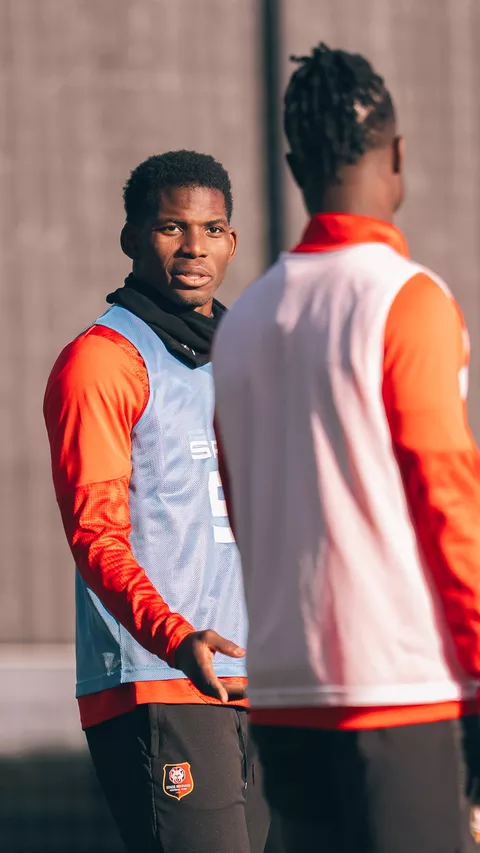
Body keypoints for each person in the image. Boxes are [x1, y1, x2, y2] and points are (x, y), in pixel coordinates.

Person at [212, 44, 480, 853]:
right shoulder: (410, 301)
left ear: (294, 166)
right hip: (400, 689)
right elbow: (447, 499)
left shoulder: (243, 322)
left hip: (283, 695)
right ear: (398, 156)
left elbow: (241, 505)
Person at [43, 150, 272, 853]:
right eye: (173, 227)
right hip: (161, 680)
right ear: (133, 238)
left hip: (258, 681)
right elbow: (95, 535)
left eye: (212, 229)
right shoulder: (103, 360)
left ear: (232, 242)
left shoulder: (247, 359)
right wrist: (175, 637)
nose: (195, 247)